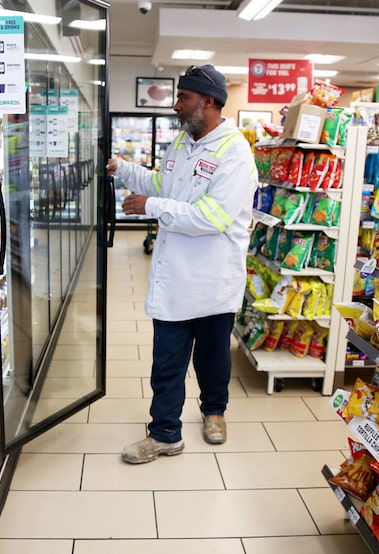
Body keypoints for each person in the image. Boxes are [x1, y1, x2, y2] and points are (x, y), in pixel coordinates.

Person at [107, 64, 258, 464]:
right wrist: (122, 169)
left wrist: (152, 207)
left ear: (207, 102)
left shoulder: (235, 153)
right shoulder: (181, 144)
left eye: (183, 98)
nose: (176, 106)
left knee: (212, 358)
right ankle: (164, 433)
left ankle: (214, 413)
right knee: (167, 360)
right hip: (176, 279)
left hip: (212, 279)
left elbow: (212, 217)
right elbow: (161, 185)